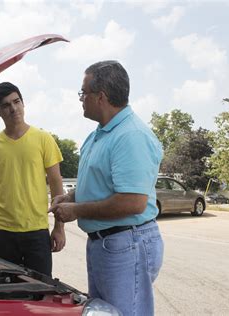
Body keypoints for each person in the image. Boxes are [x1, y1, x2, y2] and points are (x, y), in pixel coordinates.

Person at [49, 61, 164, 315]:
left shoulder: (130, 135)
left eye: (83, 93)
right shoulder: (99, 135)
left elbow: (132, 202)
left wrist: (77, 210)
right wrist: (70, 196)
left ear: (100, 97)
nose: (81, 99)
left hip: (126, 243)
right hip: (108, 244)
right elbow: (99, 184)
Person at [0, 82, 65, 277]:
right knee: (7, 293)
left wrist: (59, 227)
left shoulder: (43, 139)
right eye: (6, 105)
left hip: (36, 231)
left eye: (16, 101)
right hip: (3, 232)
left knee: (40, 293)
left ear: (23, 103)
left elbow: (56, 183)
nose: (13, 109)